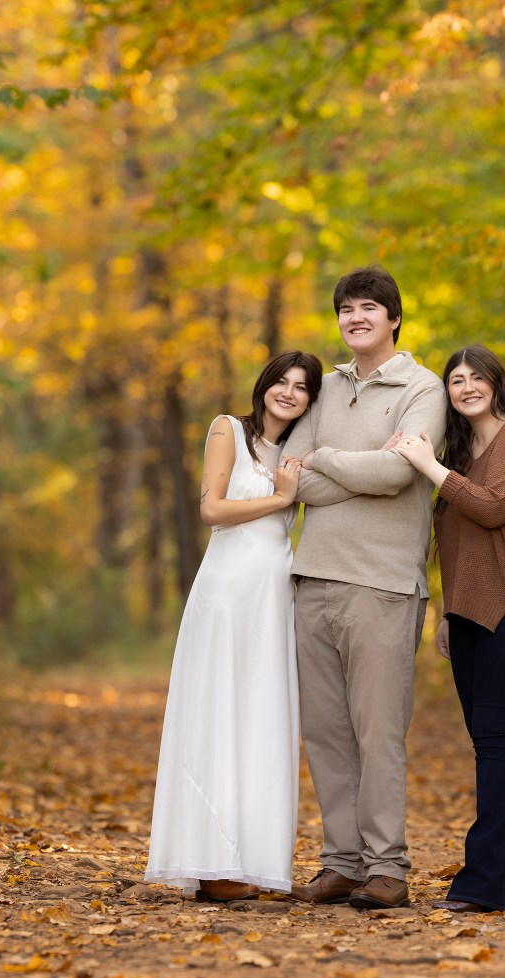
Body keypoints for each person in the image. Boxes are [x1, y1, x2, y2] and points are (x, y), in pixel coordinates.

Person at [282, 266, 446, 910]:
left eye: (369, 308)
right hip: (313, 578)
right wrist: (340, 467)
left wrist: (325, 462)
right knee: (324, 731)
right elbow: (292, 477)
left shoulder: (423, 387)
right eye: (346, 309)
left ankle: (387, 867)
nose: (356, 318)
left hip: (382, 583)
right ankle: (342, 863)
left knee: (378, 731)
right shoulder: (322, 388)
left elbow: (399, 475)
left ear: (394, 317)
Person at [145, 350, 323, 902]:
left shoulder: (294, 452)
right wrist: (280, 497)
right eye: (281, 382)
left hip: (271, 594)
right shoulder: (229, 430)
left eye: (301, 387)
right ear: (264, 385)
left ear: (310, 400)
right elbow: (211, 509)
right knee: (219, 710)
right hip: (227, 591)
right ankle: (210, 859)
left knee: (260, 716)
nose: (288, 392)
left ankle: (247, 860)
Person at [395, 345, 505, 913]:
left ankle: (482, 886)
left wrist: (428, 466)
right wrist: (447, 612)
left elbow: (494, 509)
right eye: (455, 380)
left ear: (495, 383)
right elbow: (458, 543)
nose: (465, 387)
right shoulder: (462, 455)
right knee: (490, 745)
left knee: (494, 742)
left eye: (475, 377)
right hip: (469, 617)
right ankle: (504, 888)